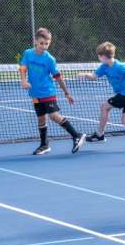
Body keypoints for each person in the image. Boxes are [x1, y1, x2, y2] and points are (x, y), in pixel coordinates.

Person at [19, 27, 86, 156]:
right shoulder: (28, 53)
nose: (44, 46)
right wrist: (23, 80)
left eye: (47, 44)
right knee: (41, 119)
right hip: (35, 93)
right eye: (41, 43)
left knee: (54, 116)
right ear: (35, 41)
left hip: (48, 92)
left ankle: (76, 135)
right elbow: (22, 68)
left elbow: (58, 77)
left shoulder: (50, 59)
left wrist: (67, 93)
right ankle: (44, 145)